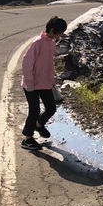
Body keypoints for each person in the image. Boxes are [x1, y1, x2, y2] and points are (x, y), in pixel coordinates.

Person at [20, 16, 67, 150]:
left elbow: (48, 63)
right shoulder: (37, 43)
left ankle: (38, 124)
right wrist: (29, 82)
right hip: (32, 84)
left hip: (45, 83)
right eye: (60, 32)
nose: (61, 35)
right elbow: (27, 63)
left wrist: (51, 80)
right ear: (52, 30)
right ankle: (27, 139)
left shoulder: (51, 42)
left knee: (51, 108)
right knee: (34, 110)